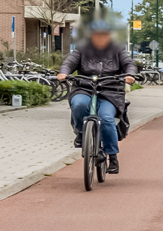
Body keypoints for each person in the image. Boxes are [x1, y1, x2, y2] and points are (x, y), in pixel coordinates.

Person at [58, 20, 137, 174]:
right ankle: (82, 134)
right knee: (79, 105)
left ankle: (112, 156)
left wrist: (130, 75)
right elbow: (69, 63)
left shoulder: (118, 49)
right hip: (84, 88)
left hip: (110, 91)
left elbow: (129, 64)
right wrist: (64, 73)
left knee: (106, 118)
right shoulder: (82, 49)